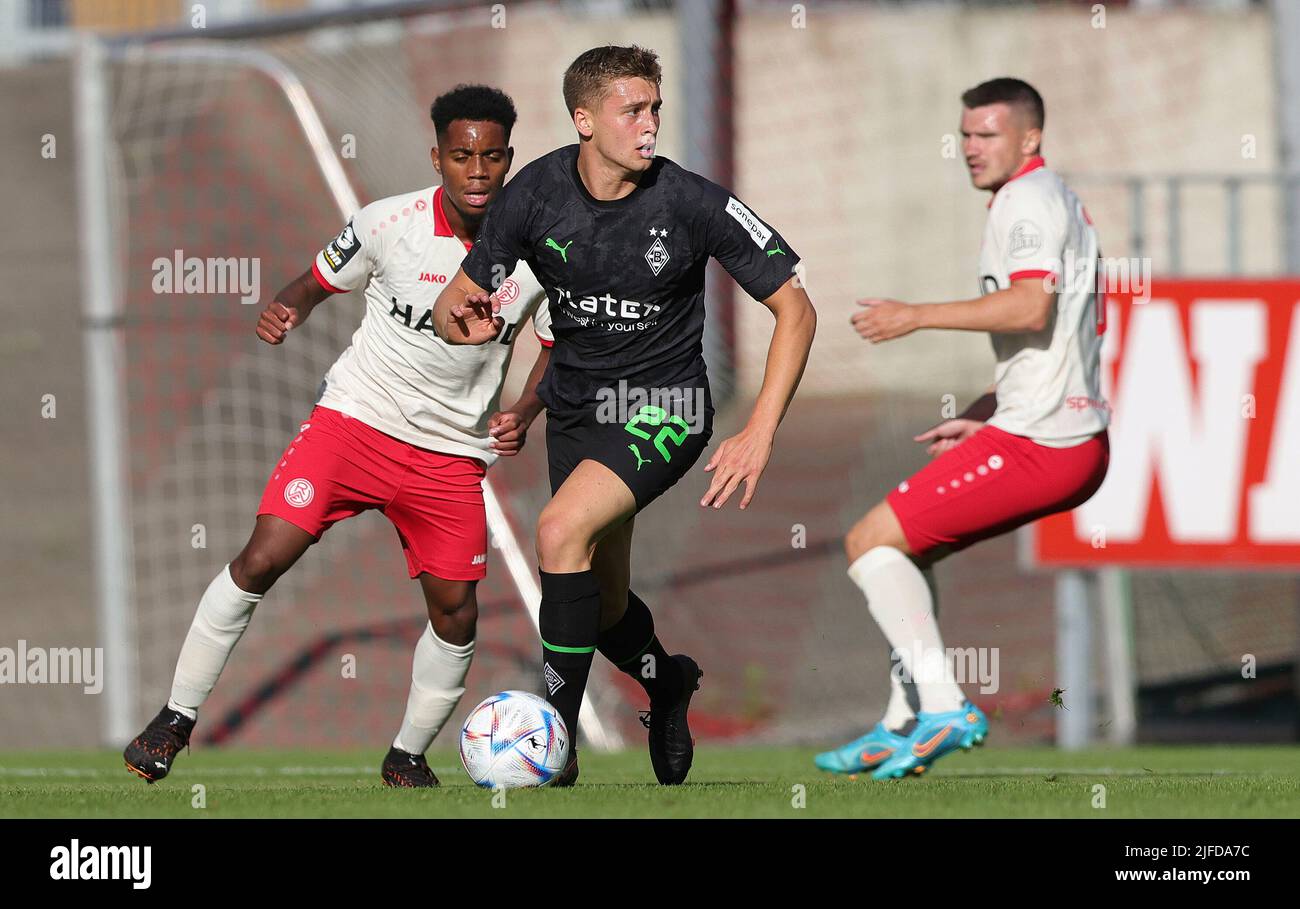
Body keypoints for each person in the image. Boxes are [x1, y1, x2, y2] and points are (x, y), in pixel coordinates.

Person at [124, 85, 552, 788]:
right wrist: (284, 307)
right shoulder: (388, 223)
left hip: (449, 454)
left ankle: (406, 756)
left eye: (493, 155)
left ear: (510, 158)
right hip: (354, 423)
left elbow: (553, 345)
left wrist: (526, 411)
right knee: (262, 557)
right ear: (437, 156)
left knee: (456, 612)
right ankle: (174, 720)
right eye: (462, 155)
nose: (478, 169)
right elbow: (316, 281)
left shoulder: (538, 254)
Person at [432, 45, 816, 786]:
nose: (649, 125)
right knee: (600, 602)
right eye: (631, 110)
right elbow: (458, 301)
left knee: (556, 530)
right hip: (577, 409)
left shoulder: (693, 202)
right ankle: (667, 683)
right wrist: (462, 323)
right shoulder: (532, 194)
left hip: (665, 408)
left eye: (655, 109)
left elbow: (795, 310)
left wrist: (759, 429)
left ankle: (553, 745)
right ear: (584, 119)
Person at [816, 77, 1110, 780]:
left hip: (1044, 441)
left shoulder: (1027, 203)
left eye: (988, 135)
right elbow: (1052, 335)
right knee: (898, 555)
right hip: (1048, 432)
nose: (971, 148)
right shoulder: (1048, 196)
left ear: (1029, 138)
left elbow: (1030, 308)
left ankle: (943, 707)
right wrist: (982, 414)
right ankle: (901, 724)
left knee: (867, 542)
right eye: (967, 135)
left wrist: (913, 314)